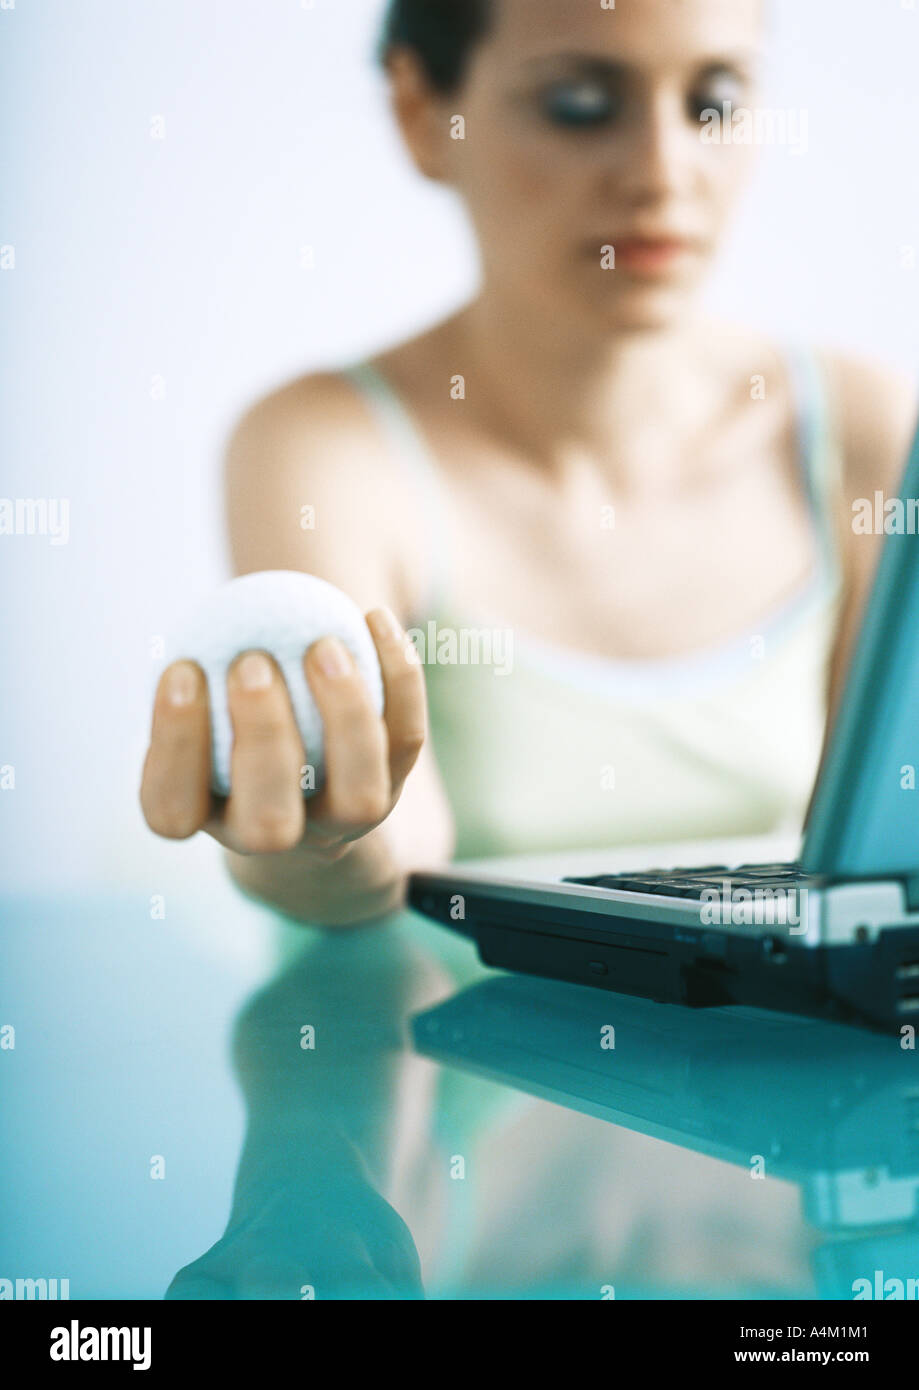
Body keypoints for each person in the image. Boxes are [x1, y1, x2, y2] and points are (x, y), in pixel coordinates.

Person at [140, 0, 916, 931]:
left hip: (746, 1063)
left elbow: (874, 857)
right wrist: (318, 839)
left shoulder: (863, 430)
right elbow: (387, 860)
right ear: (422, 114)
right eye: (580, 104)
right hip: (413, 1058)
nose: (663, 174)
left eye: (711, 103)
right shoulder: (325, 446)